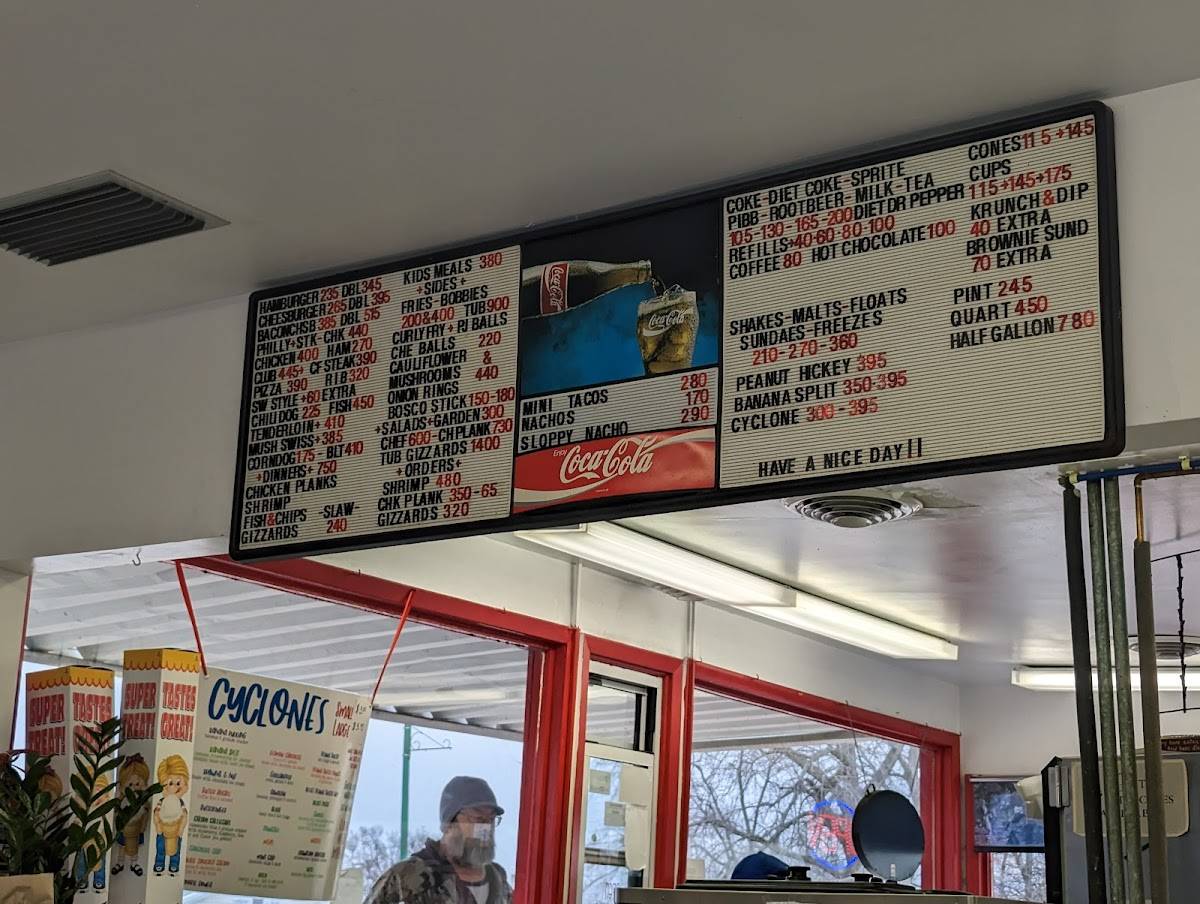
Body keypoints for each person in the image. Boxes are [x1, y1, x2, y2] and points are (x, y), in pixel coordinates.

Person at [366, 776, 512, 904]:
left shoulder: (497, 877)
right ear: (449, 823)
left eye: (491, 820)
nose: (485, 828)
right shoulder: (409, 875)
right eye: (477, 819)